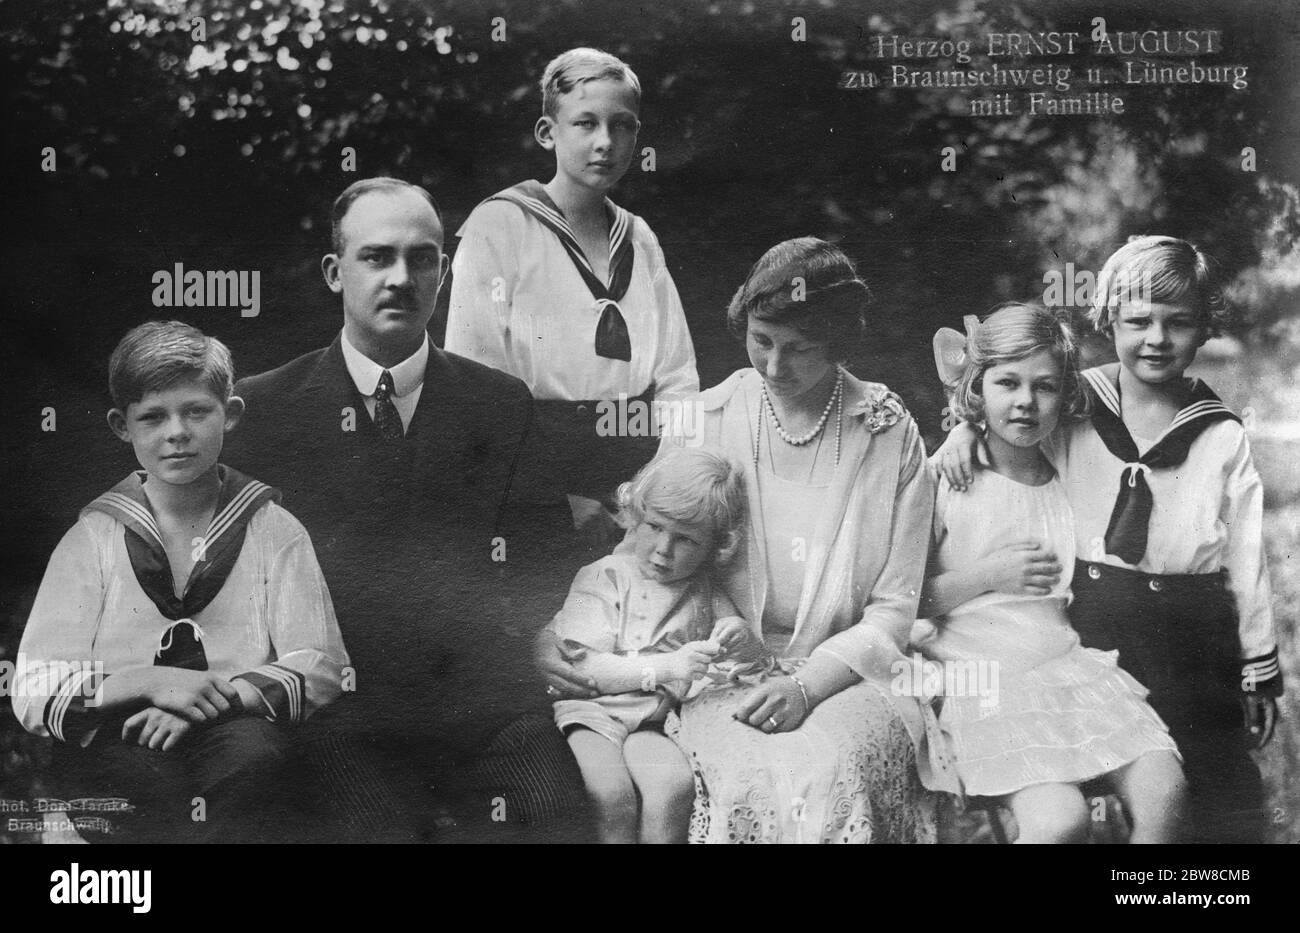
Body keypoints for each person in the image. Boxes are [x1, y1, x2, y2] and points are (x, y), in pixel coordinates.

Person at [541, 237, 950, 842]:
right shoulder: (707, 417)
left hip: (847, 671)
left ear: (838, 343)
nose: (776, 367)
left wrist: (804, 687)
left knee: (828, 770)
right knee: (742, 775)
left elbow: (893, 611)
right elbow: (640, 553)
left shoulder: (888, 433)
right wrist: (561, 637)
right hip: (715, 668)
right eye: (761, 342)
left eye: (800, 349)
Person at [223, 177, 588, 842]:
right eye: (376, 257)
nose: (401, 277)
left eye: (422, 258)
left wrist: (516, 632)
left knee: (557, 814)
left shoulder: (499, 402)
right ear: (336, 272)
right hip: (342, 714)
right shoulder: (266, 406)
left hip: (484, 709)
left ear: (444, 272)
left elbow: (544, 552)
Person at [936, 236, 1283, 842]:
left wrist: (1257, 668)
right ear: (1108, 319)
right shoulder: (1074, 406)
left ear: (1204, 330)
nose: (1156, 338)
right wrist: (962, 433)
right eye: (1139, 320)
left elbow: (1247, 559)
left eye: (1178, 324)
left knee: (1210, 788)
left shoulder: (1220, 434)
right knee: (1081, 791)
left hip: (1190, 629)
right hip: (1092, 620)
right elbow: (1009, 418)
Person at [12, 321, 349, 843]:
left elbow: (322, 663)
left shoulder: (271, 527)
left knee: (256, 768)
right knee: (129, 786)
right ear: (122, 426)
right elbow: (34, 683)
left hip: (237, 726)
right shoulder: (94, 537)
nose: (177, 432)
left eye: (196, 410)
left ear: (230, 414)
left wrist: (222, 697)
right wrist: (148, 683)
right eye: (153, 416)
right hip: (119, 730)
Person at [917, 304, 1185, 843]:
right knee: (1062, 822)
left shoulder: (1072, 473)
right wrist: (988, 575)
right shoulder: (945, 481)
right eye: (1007, 383)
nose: (1025, 401)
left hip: (1067, 673)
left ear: (1065, 396)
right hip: (985, 683)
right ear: (977, 389)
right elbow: (898, 602)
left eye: (1044, 387)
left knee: (1165, 790)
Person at [446, 47, 699, 554]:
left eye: (622, 125)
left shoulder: (640, 237)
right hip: (535, 484)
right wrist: (552, 501)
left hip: (641, 484)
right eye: (585, 123)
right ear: (548, 132)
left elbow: (677, 379)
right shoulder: (501, 225)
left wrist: (661, 489)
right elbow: (472, 386)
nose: (605, 142)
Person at [547, 446, 769, 843]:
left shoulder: (705, 592)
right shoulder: (605, 576)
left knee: (672, 788)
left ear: (716, 546)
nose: (663, 550)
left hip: (654, 722)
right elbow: (585, 669)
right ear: (634, 516)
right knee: (610, 793)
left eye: (685, 540)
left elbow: (753, 665)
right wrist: (669, 668)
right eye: (654, 527)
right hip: (595, 714)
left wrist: (743, 641)